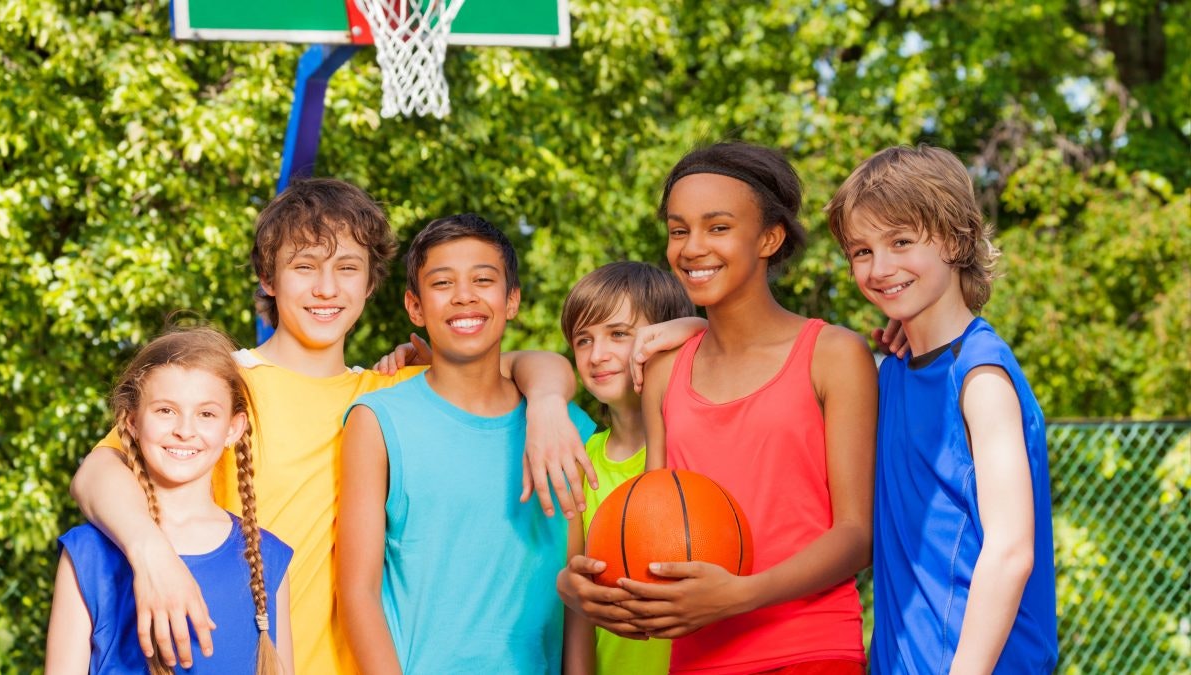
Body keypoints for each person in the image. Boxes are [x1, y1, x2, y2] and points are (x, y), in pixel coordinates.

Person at [68, 179, 594, 673]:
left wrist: (548, 401)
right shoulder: (223, 388)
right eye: (304, 266)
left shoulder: (391, 394)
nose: (326, 288)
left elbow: (517, 361)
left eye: (347, 267)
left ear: (370, 285)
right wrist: (150, 553)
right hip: (230, 654)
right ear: (268, 279)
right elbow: (96, 473)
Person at [562, 141, 877, 674]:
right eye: (679, 229)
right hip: (696, 658)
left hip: (811, 650)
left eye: (718, 227)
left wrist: (742, 594)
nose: (692, 247)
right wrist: (587, 589)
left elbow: (855, 536)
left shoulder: (834, 355)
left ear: (769, 238)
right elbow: (655, 527)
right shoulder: (664, 368)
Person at [824, 145, 1058, 673]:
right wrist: (698, 330)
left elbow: (1010, 551)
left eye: (901, 242)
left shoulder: (980, 377)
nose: (880, 268)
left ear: (956, 240)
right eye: (861, 251)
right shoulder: (893, 374)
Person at [337, 214, 597, 674]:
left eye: (483, 279)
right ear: (415, 307)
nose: (464, 295)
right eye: (442, 283)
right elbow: (358, 593)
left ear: (511, 299)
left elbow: (577, 597)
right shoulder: (377, 422)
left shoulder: (563, 428)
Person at [46, 327, 293, 674]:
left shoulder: (267, 556)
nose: (185, 430)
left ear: (233, 429)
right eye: (165, 411)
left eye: (206, 414)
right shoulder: (88, 552)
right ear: (131, 422)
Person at [558, 261, 696, 675]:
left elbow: (734, 336)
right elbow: (578, 606)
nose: (598, 355)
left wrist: (693, 326)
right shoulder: (580, 459)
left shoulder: (690, 446)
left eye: (618, 334)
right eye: (583, 340)